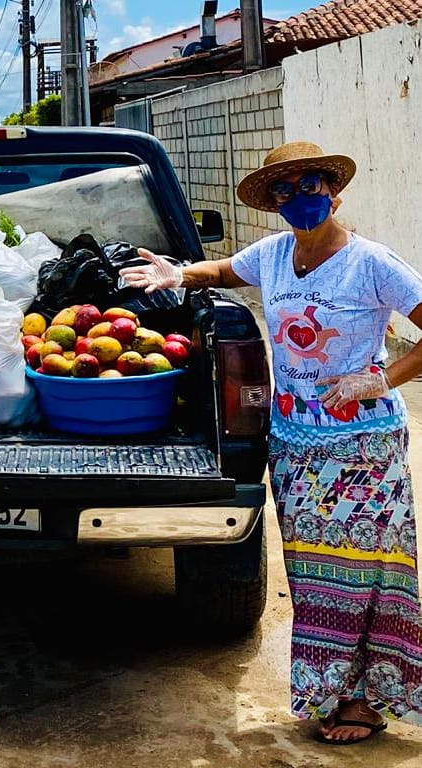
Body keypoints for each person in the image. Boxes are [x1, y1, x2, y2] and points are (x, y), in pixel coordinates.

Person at [121, 141, 422, 744]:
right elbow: (226, 270)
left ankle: (366, 700)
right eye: (283, 192)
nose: (297, 200)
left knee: (369, 570)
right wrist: (179, 272)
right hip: (294, 444)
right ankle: (332, 693)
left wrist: (379, 378)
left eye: (308, 186)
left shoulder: (371, 263)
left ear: (332, 192)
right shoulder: (276, 255)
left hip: (362, 446)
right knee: (314, 576)